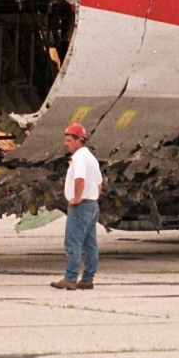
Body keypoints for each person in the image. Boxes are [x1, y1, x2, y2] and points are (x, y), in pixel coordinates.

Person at [50, 123, 102, 290]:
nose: (66, 144)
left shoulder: (79, 157)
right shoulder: (91, 158)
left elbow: (79, 179)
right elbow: (99, 183)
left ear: (79, 140)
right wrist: (93, 196)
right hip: (92, 204)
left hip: (81, 206)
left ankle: (70, 278)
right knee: (90, 244)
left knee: (73, 242)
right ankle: (88, 278)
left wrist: (76, 198)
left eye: (69, 140)